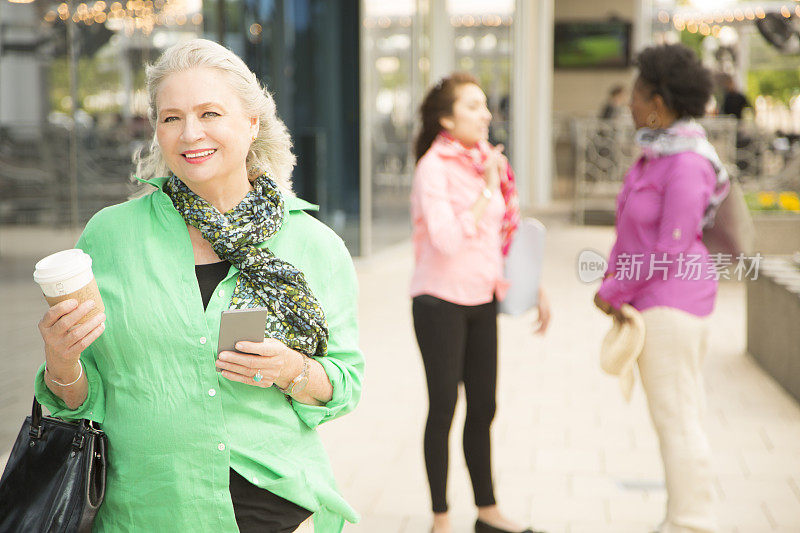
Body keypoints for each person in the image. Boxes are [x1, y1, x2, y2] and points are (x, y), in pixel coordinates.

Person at [34, 38, 364, 533]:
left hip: (269, 504)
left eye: (210, 113)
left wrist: (292, 369)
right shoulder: (109, 236)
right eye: (171, 118)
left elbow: (344, 385)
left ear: (252, 123)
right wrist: (62, 360)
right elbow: (81, 400)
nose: (190, 134)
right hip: (142, 507)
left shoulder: (314, 245)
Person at [594, 44, 728, 533]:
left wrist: (614, 290)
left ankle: (693, 523)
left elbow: (668, 249)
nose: (628, 103)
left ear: (659, 101)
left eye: (636, 94)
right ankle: (680, 518)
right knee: (674, 418)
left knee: (679, 420)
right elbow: (630, 231)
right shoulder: (656, 154)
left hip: (673, 306)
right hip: (651, 300)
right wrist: (613, 283)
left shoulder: (688, 162)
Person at [410, 72, 551, 533]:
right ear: (447, 118)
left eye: (485, 105)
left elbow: (504, 231)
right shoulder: (433, 167)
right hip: (439, 301)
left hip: (482, 297)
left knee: (485, 407)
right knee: (445, 407)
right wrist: (487, 189)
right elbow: (447, 238)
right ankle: (440, 516)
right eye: (473, 106)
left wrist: (534, 285)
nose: (486, 114)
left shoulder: (486, 161)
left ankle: (488, 513)